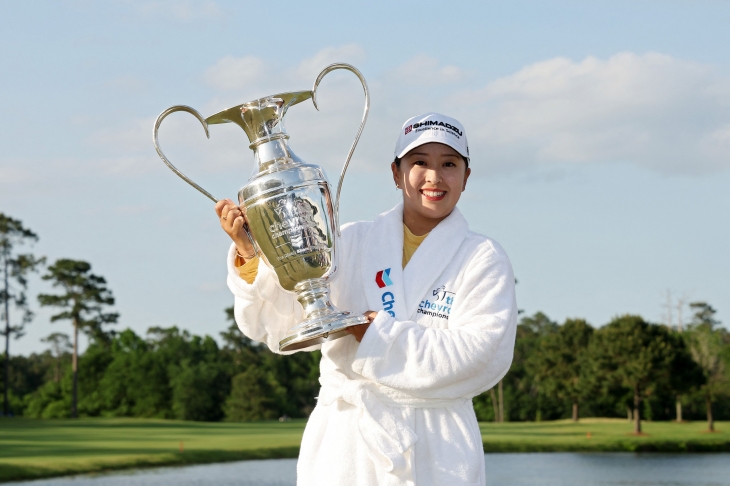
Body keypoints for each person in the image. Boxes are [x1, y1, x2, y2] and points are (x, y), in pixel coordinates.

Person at [215, 113, 517, 486]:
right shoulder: (349, 241)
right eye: (419, 162)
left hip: (437, 450)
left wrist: (376, 335)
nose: (434, 177)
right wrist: (250, 255)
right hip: (346, 445)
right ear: (396, 173)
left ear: (466, 177)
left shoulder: (483, 258)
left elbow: (482, 355)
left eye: (449, 164)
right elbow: (279, 327)